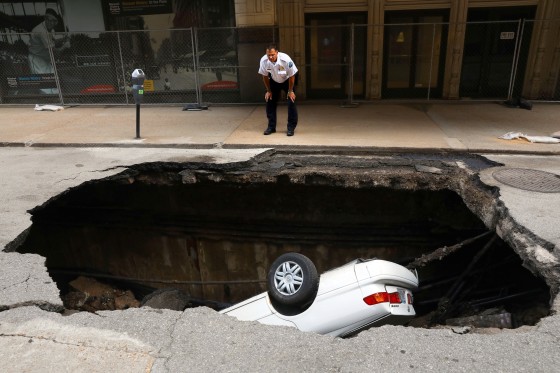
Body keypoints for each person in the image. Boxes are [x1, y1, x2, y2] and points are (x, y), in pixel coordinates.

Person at [258, 44, 298, 136]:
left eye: (273, 54)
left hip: (287, 80)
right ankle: (271, 127)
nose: (270, 57)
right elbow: (264, 76)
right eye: (269, 55)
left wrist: (290, 91)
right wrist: (268, 90)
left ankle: (291, 128)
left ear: (277, 52)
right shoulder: (264, 61)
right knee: (270, 101)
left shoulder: (286, 60)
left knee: (291, 102)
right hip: (274, 80)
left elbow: (292, 76)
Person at [28, 8, 69, 93]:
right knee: (45, 84)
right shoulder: (41, 31)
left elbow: (53, 41)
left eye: (54, 21)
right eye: (50, 20)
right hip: (37, 59)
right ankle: (48, 100)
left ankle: (57, 98)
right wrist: (65, 46)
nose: (52, 23)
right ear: (45, 19)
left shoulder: (50, 29)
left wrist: (63, 39)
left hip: (45, 58)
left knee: (53, 80)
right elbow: (54, 51)